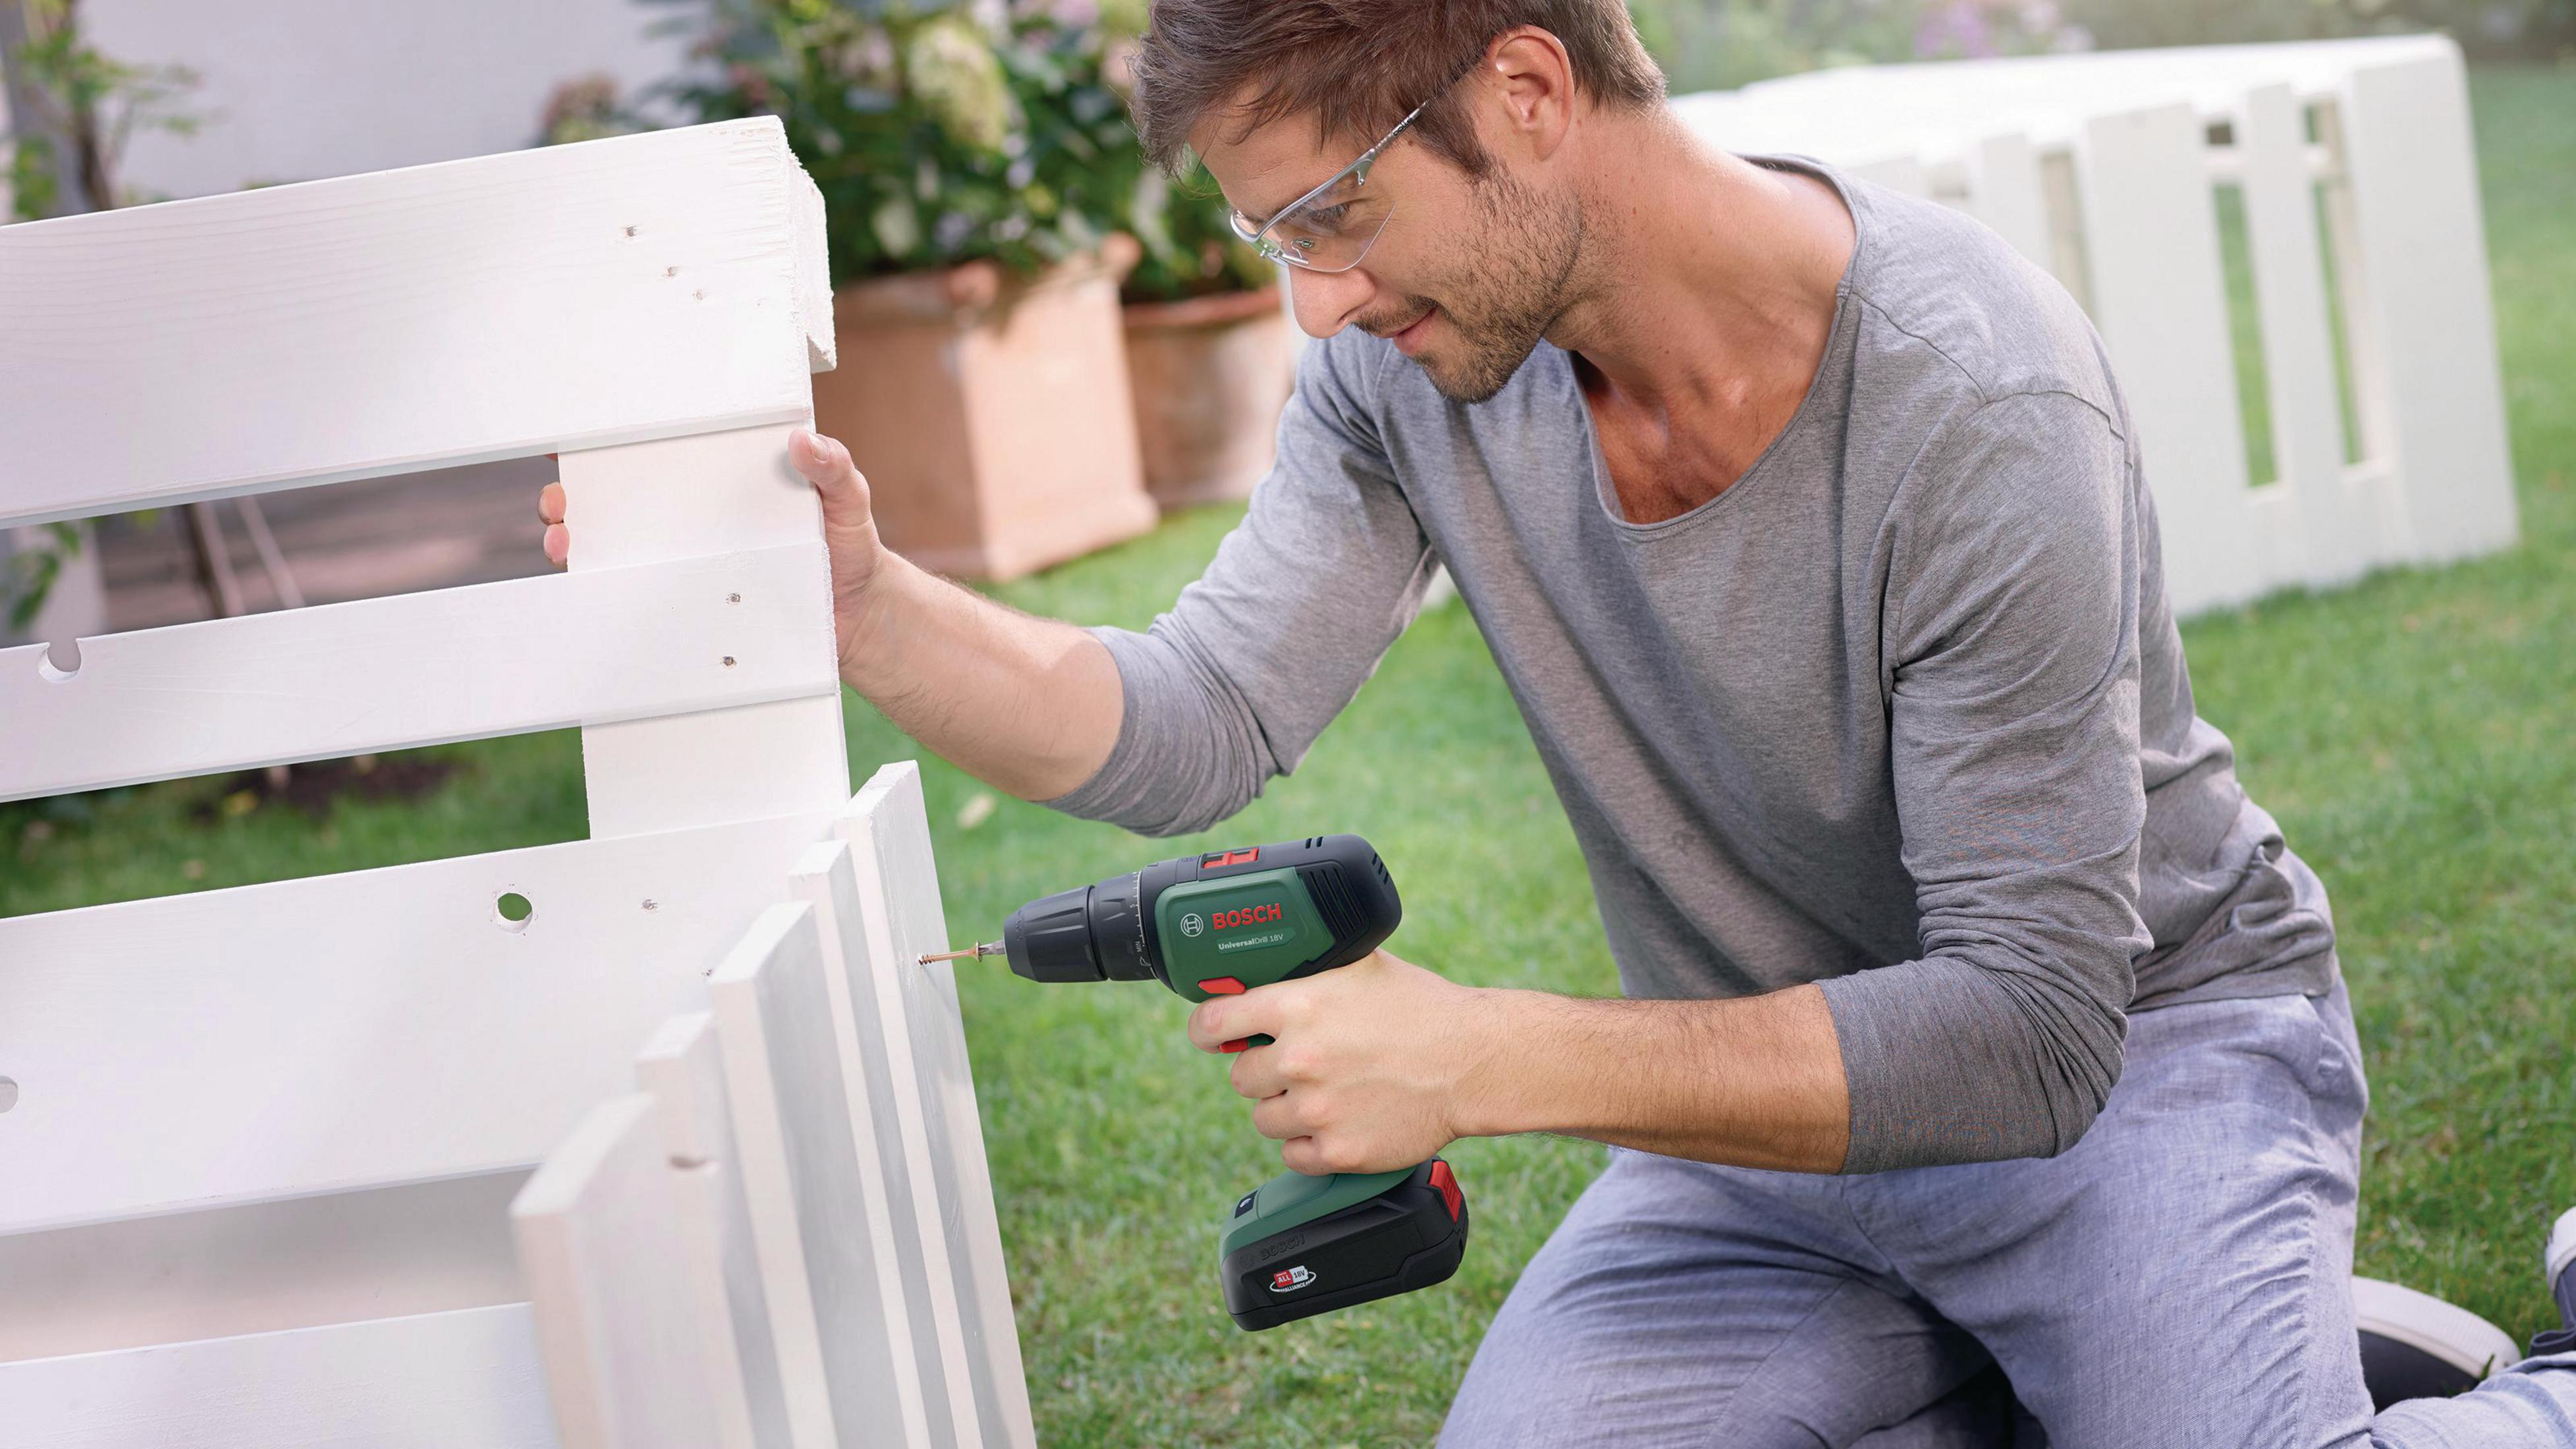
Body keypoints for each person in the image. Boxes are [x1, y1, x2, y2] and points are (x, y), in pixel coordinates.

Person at [539, 3, 2576, 1441]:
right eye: (1277, 241)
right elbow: (1190, 720)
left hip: (2135, 1077)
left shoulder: (1975, 404)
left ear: (1521, 90)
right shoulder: (1411, 382)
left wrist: (1484, 1056)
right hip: (1750, 1140)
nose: (1313, 304)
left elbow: (2029, 1031)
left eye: (1329, 212)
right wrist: (867, 606)